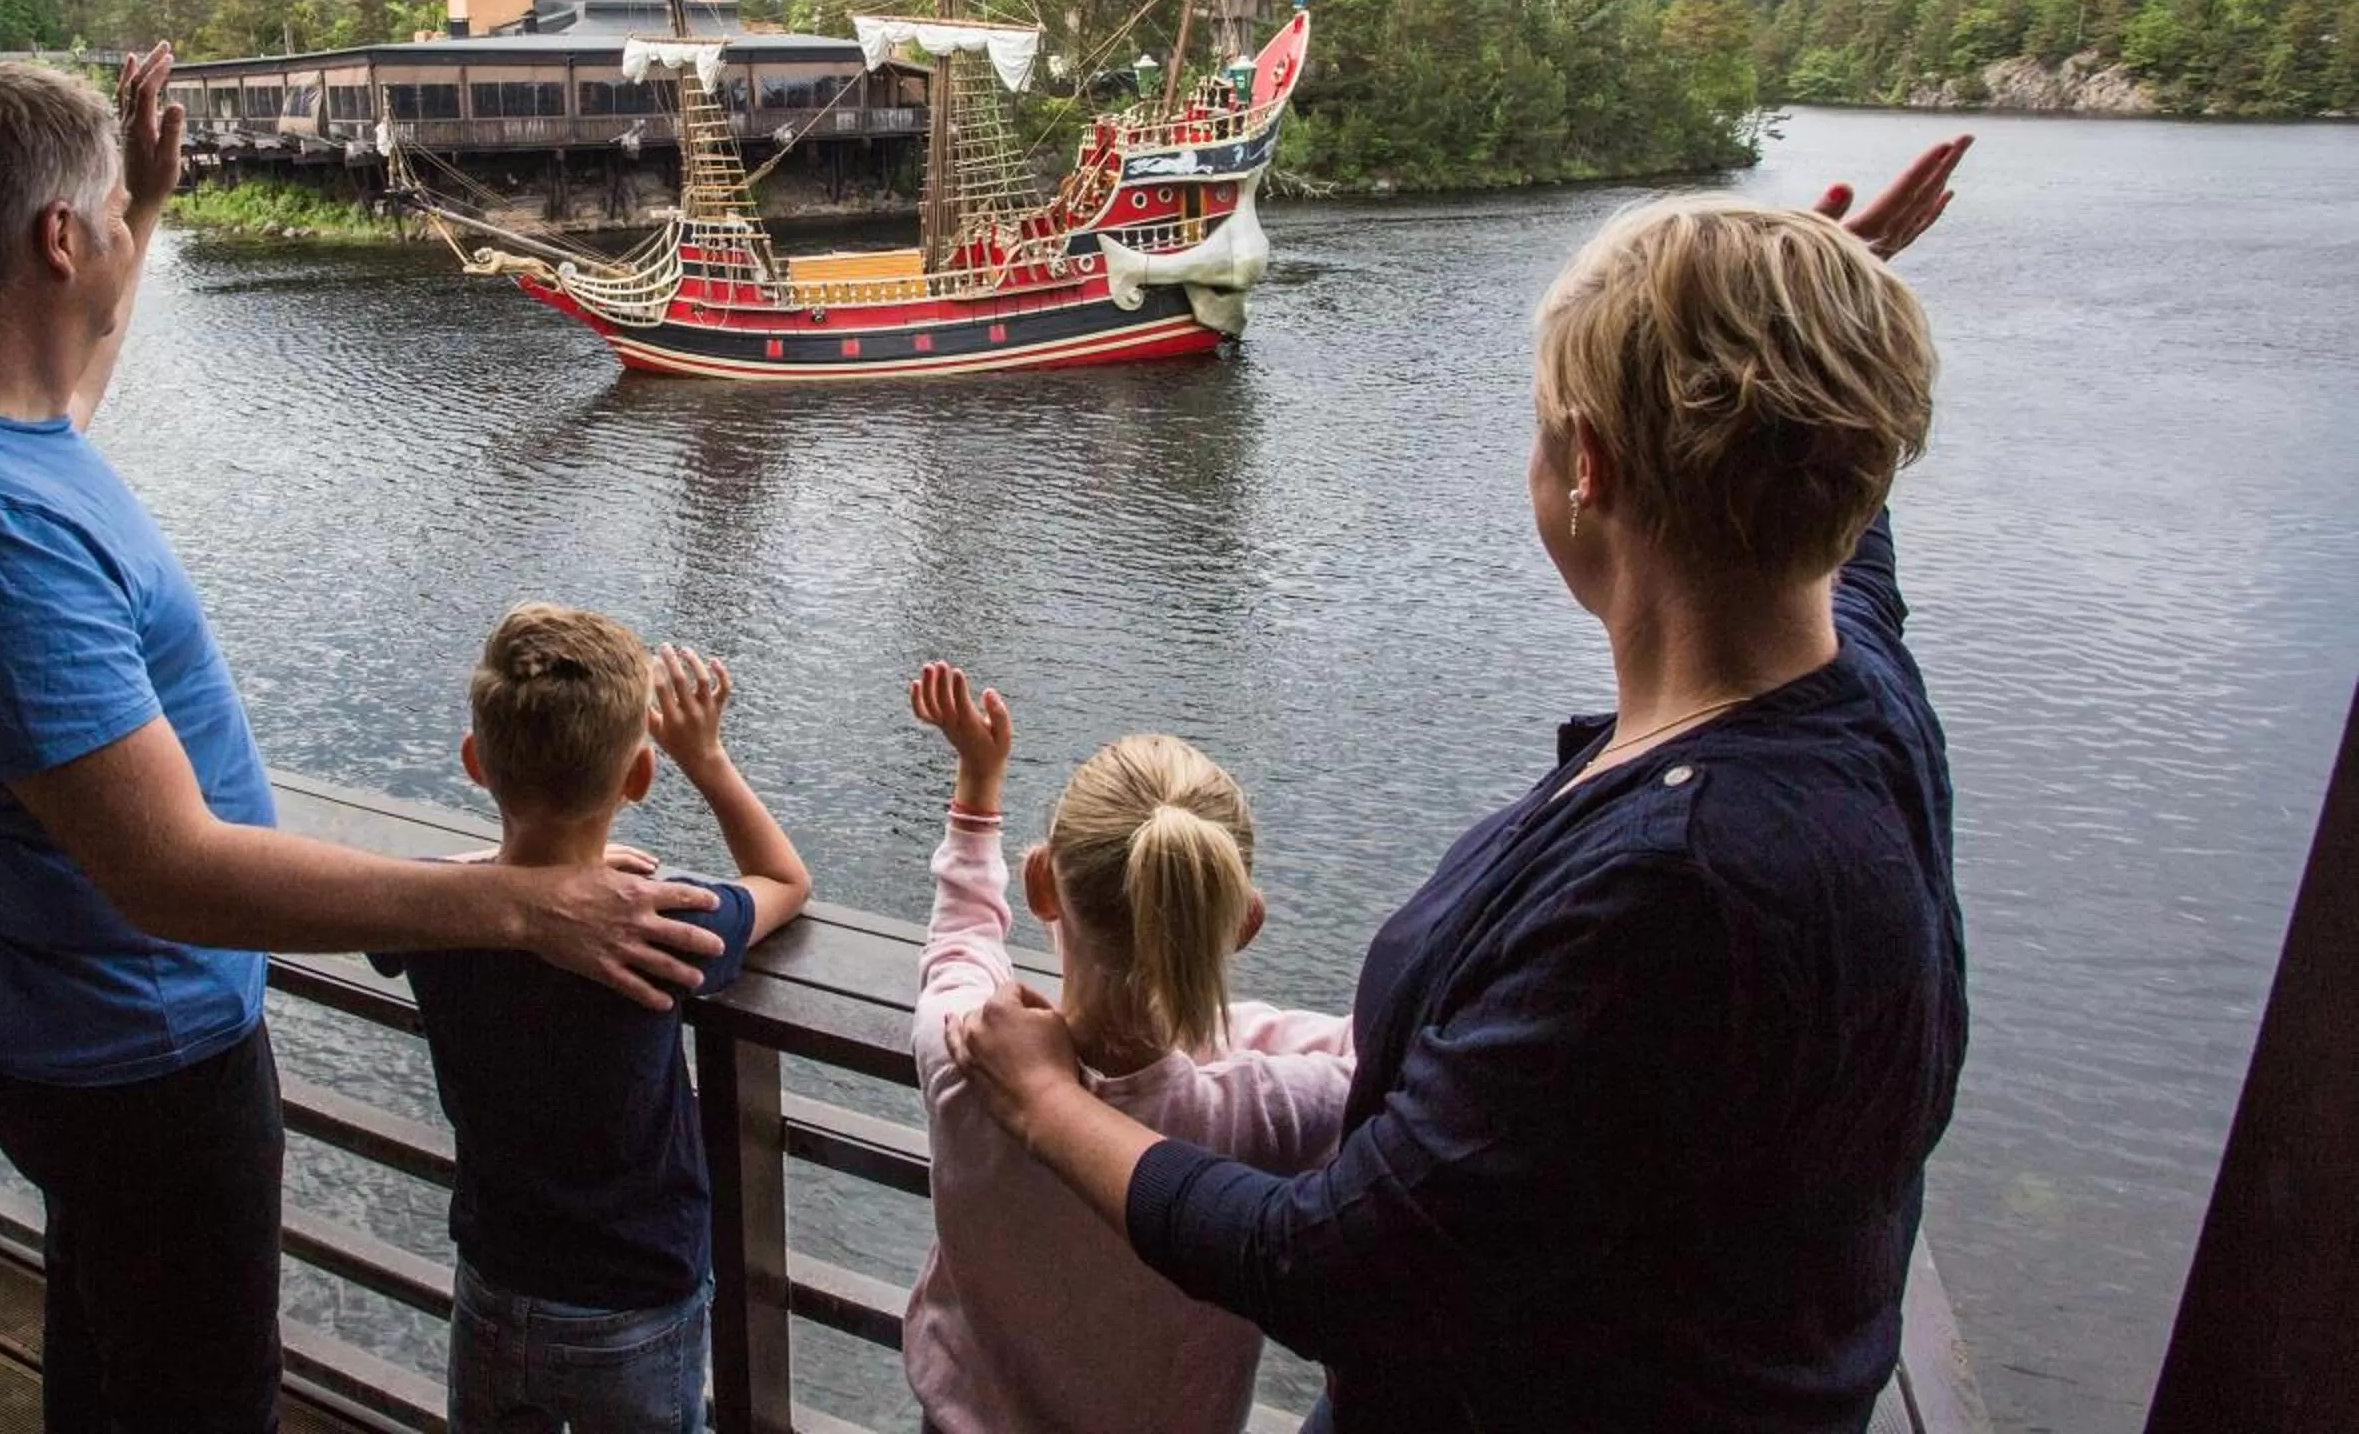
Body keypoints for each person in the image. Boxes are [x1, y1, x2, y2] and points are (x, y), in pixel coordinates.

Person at [953, 140, 1977, 1433]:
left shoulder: (1675, 885)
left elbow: (1326, 1266)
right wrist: (1810, 314)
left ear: (1588, 467)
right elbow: (1831, 511)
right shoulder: (1863, 701)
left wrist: (1047, 1103)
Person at [0, 53, 729, 1434]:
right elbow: (169, 876)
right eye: (111, 213)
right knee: (197, 1390)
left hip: (31, 1000)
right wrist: (517, 904)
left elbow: (62, 393)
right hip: (137, 1051)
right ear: (58, 241)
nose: (126, 229)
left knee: (110, 1334)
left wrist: (153, 206)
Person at [374, 612, 810, 1434]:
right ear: (639, 776)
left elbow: (438, 885)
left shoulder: (432, 910)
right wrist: (706, 758)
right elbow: (785, 878)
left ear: (476, 765)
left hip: (496, 1282)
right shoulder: (670, 922)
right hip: (637, 1301)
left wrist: (509, 870)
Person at [904, 661, 1354, 1434]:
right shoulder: (1265, 1108)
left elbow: (959, 942)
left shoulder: (966, 1051)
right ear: (1242, 923)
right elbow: (1398, 1048)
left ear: (1043, 885)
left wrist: (978, 786)